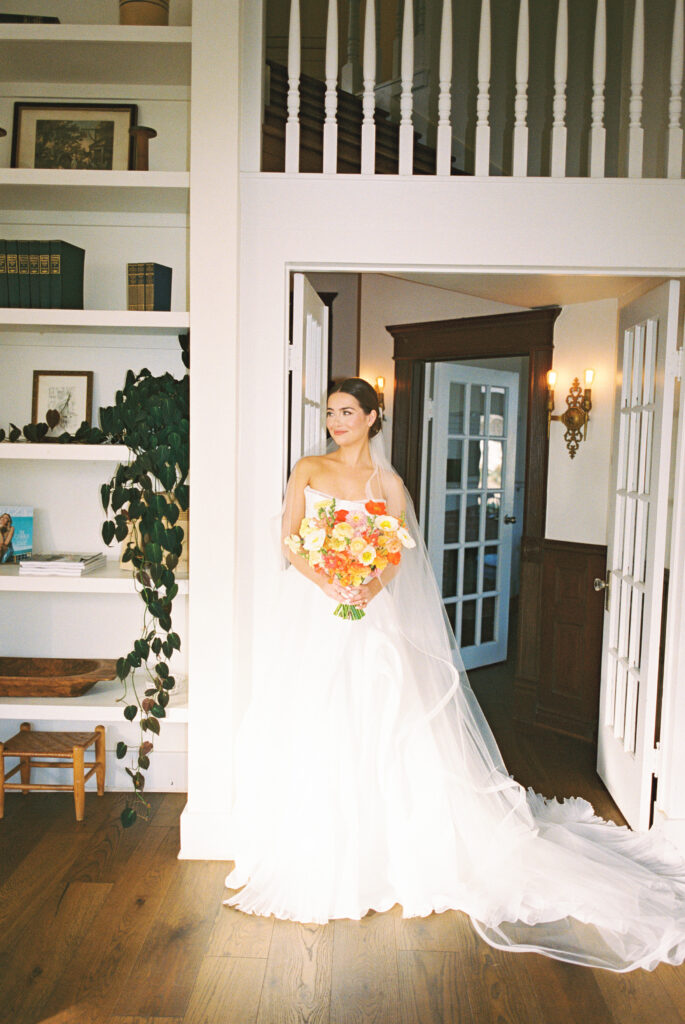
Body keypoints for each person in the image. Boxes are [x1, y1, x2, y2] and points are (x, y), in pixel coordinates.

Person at [224, 378, 685, 972]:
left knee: (377, 715)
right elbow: (291, 542)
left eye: (348, 412)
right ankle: (311, 844)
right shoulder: (308, 469)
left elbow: (394, 555)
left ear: (373, 416)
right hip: (312, 610)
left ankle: (384, 848)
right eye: (331, 412)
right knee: (311, 715)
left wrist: (365, 587)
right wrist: (330, 583)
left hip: (368, 612)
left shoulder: (389, 484)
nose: (336, 421)